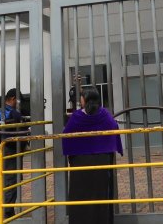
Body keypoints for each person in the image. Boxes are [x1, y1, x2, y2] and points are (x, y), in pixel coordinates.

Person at [61, 86, 123, 224]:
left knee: (80, 196)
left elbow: (66, 135)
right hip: (102, 161)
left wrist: (73, 156)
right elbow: (114, 129)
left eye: (81, 96)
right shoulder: (105, 114)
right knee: (101, 195)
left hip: (81, 163)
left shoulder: (77, 116)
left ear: (85, 99)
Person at [0, 88, 26, 208]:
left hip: (7, 148)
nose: (20, 104)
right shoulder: (11, 112)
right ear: (13, 99)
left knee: (11, 178)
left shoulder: (0, 112)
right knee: (12, 179)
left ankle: (8, 207)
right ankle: (7, 209)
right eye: (19, 101)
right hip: (12, 149)